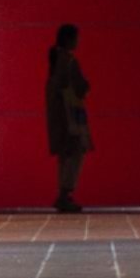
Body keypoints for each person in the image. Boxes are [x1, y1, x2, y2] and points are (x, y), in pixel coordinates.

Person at [45, 23, 92, 213]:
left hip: (59, 115)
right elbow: (78, 87)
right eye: (76, 37)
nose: (78, 41)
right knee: (76, 151)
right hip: (71, 115)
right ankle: (65, 193)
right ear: (69, 39)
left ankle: (63, 194)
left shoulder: (56, 60)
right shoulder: (68, 61)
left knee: (65, 155)